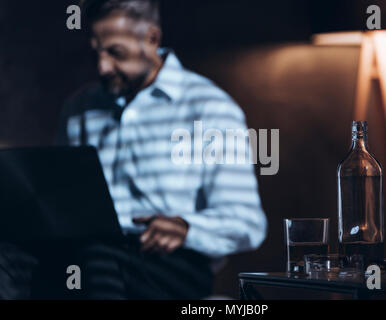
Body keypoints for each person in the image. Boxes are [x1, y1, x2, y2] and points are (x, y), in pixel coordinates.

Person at [0, 0, 267, 299]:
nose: (102, 67)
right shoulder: (79, 109)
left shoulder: (209, 108)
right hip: (81, 253)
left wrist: (185, 226)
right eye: (96, 53)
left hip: (168, 265)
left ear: (151, 39)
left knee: (97, 260)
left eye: (116, 53)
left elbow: (247, 223)